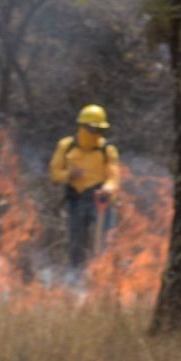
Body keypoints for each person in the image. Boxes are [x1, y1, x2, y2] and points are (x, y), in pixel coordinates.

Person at [49, 104, 120, 274]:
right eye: (92, 129)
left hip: (100, 200)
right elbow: (54, 173)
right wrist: (69, 174)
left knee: (104, 241)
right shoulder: (66, 146)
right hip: (76, 199)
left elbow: (114, 176)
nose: (96, 133)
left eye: (99, 129)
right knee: (76, 243)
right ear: (83, 127)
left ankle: (102, 276)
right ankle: (76, 278)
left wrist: (108, 189)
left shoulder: (107, 150)